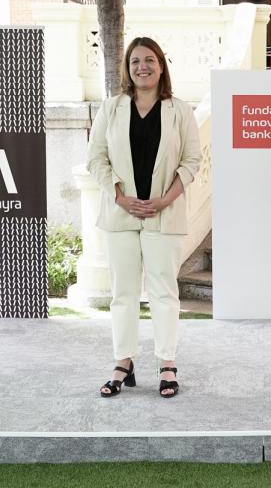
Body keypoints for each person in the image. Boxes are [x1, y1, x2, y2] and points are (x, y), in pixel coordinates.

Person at [86, 37, 201, 399]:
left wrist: (165, 199)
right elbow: (96, 159)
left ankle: (167, 363)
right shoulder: (111, 108)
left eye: (149, 60)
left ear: (161, 65)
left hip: (163, 216)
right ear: (127, 68)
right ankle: (124, 361)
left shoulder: (180, 111)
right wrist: (120, 196)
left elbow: (192, 162)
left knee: (164, 292)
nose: (142, 67)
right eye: (135, 61)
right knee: (123, 293)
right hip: (121, 215)